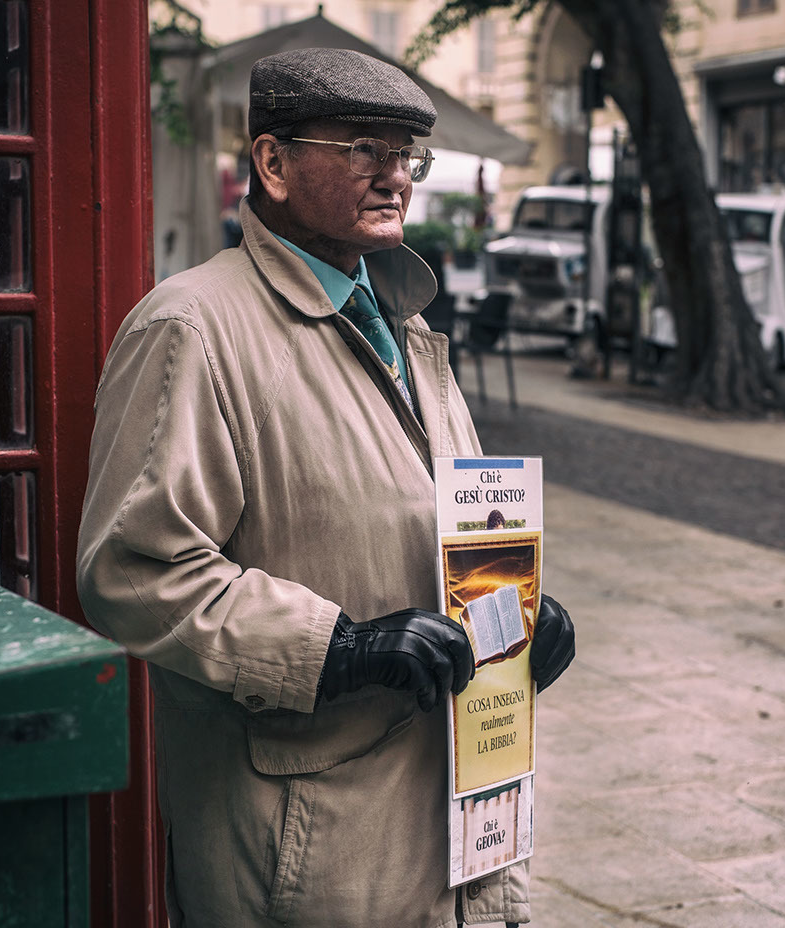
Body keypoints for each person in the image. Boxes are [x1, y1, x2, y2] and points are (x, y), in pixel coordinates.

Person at [77, 48, 575, 928]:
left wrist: (519, 610)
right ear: (271, 164)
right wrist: (335, 647)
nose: (396, 178)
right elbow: (131, 571)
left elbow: (430, 515)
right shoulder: (190, 327)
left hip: (450, 813)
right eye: (363, 151)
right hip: (310, 850)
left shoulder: (403, 324)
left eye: (407, 157)